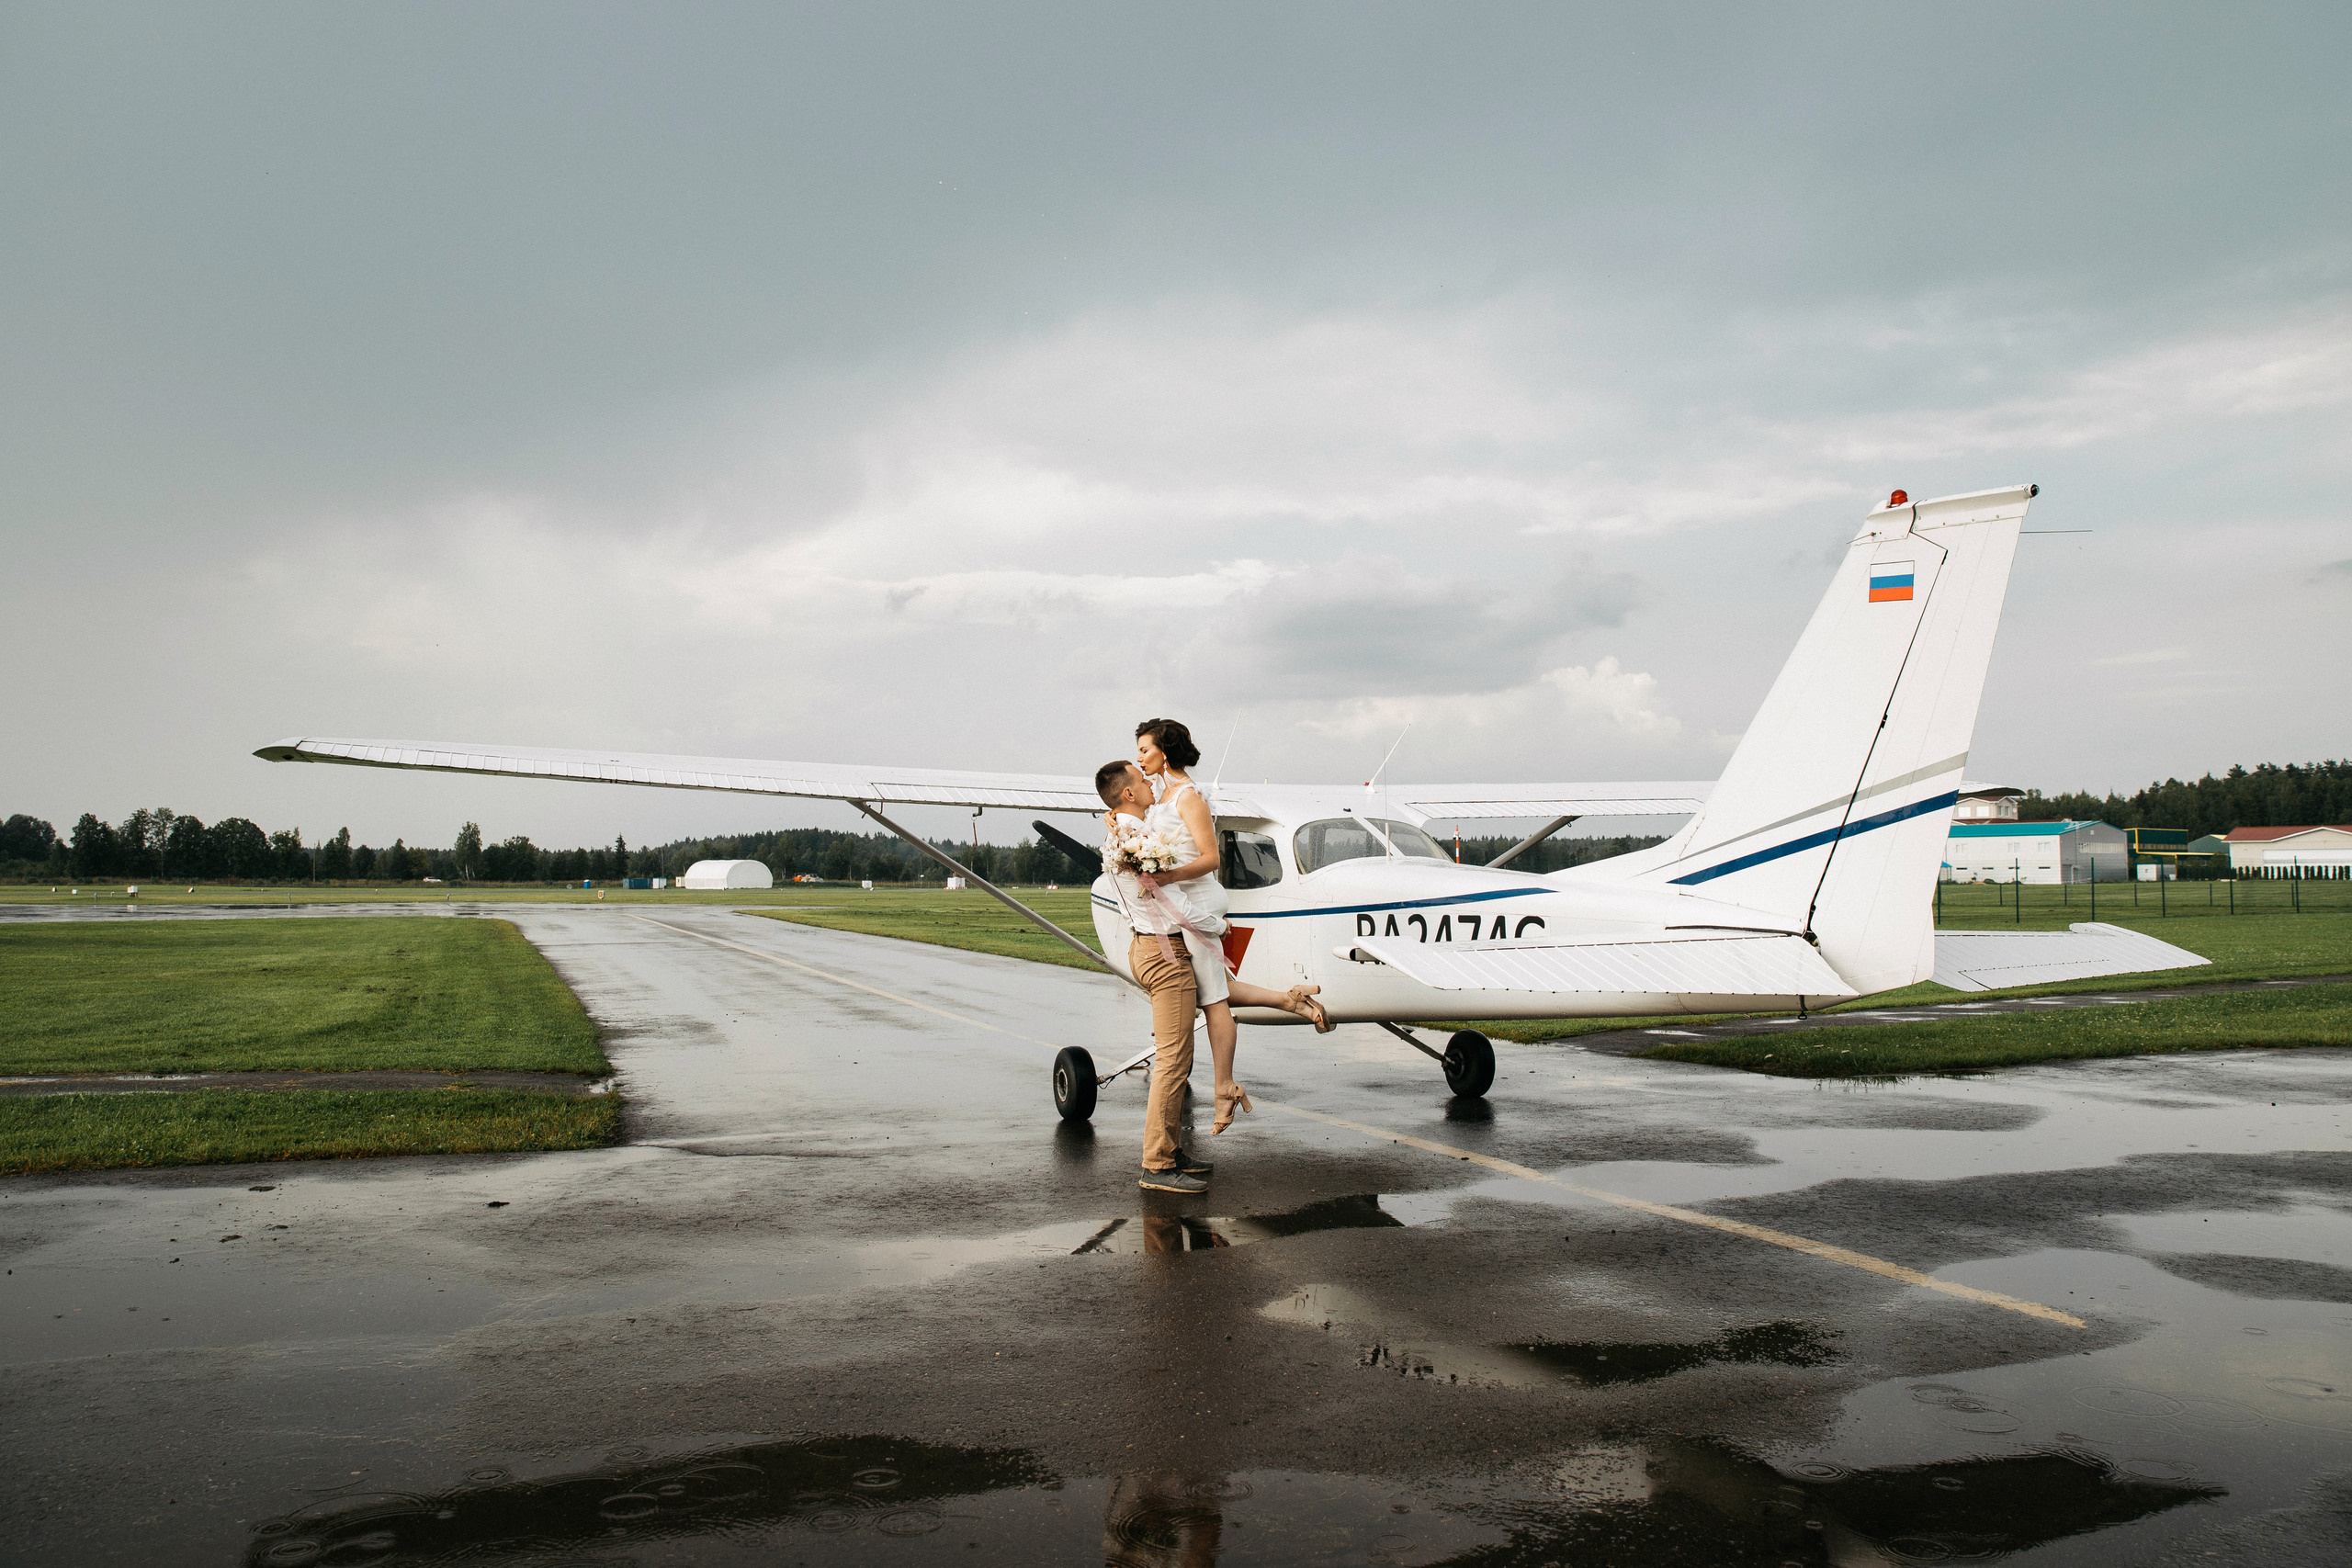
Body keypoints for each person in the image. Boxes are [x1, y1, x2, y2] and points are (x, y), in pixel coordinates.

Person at [1124, 718, 1332, 1136]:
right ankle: (1290, 1000)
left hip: (1196, 902)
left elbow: (1211, 858)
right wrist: (1117, 823)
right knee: (1215, 987)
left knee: (1214, 999)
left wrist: (1165, 877)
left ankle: (1225, 1088)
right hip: (1183, 901)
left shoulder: (1189, 797)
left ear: (1164, 751)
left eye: (1145, 750)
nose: (1139, 758)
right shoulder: (1160, 795)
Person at [1096, 761, 1212, 1195]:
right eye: (1142, 780)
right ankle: (1157, 1164)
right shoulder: (1140, 840)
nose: (1150, 782)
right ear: (1128, 793)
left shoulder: (1122, 832)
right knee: (1172, 1060)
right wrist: (1218, 927)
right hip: (1165, 954)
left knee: (1176, 1057)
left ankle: (1172, 1150)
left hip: (1145, 947)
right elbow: (1173, 903)